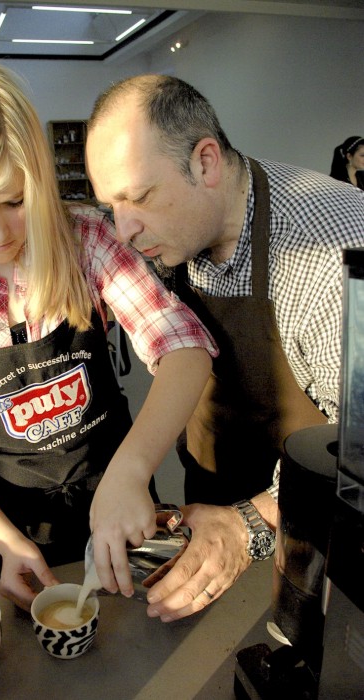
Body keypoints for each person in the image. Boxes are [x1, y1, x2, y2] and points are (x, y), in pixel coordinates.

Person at [0, 62, 217, 611]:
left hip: (115, 495)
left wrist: (132, 471)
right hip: (1, 524)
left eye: (15, 201)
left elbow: (184, 349)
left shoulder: (87, 239)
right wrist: (1, 537)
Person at [85, 74, 364, 621]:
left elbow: (357, 449)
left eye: (139, 197)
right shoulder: (166, 237)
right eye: (111, 205)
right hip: (211, 490)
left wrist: (250, 523)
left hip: (317, 522)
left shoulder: (332, 245)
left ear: (206, 162)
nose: (124, 230)